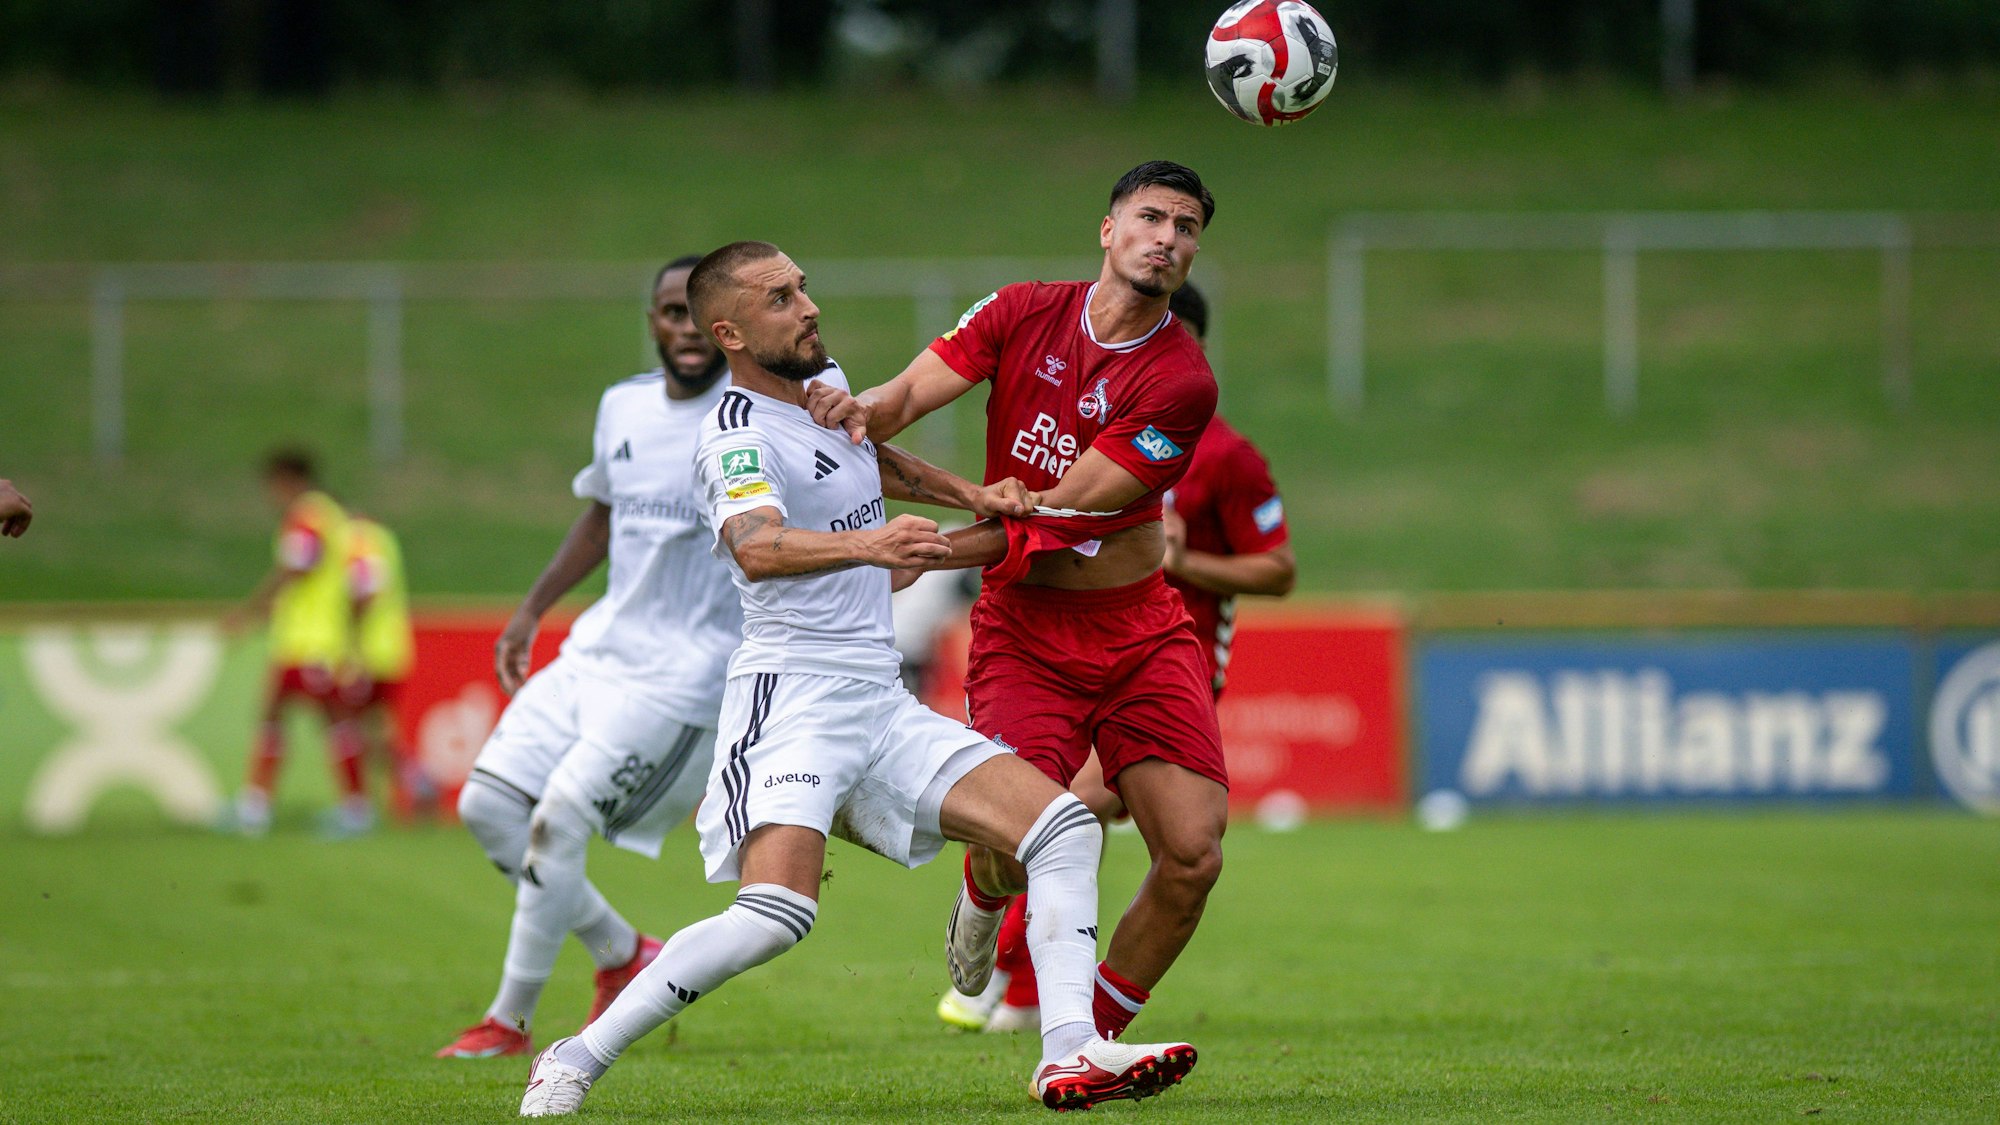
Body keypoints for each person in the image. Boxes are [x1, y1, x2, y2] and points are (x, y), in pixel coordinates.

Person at [517, 241, 1198, 1116]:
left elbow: (870, 458)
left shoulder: (821, 385)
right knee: (774, 915)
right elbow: (757, 546)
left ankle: (1069, 1052)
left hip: (875, 696)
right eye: (779, 297)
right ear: (728, 331)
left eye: (802, 286)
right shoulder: (733, 435)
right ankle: (572, 1057)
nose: (808, 306)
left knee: (1063, 828)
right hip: (790, 698)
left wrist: (971, 494)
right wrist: (870, 546)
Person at [808, 161, 1228, 1045]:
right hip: (1027, 634)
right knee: (1012, 843)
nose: (1168, 237)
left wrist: (930, 547)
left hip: (1141, 632)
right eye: (1151, 217)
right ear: (1108, 230)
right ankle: (978, 891)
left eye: (1187, 228)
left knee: (1191, 855)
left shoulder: (1181, 382)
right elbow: (904, 397)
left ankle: (1097, 1036)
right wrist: (850, 416)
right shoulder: (1020, 309)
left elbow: (1069, 512)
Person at [942, 281, 1297, 1033]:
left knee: (1111, 826)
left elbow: (1279, 570)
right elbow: (1051, 510)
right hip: (1047, 639)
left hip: (1166, 654)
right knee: (1045, 825)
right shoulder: (1072, 413)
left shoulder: (1228, 456)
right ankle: (1004, 939)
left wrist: (1185, 564)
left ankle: (1069, 1021)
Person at [436, 257, 744, 1060]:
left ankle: (508, 1020)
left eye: (696, 312)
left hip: (686, 673)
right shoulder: (624, 405)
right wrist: (531, 609)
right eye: (668, 311)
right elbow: (602, 520)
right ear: (652, 320)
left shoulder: (755, 417)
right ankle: (621, 952)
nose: (682, 327)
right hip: (599, 649)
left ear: (724, 324)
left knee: (556, 818)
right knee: (485, 806)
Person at [225, 450, 370, 837]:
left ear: (287, 479)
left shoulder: (307, 515)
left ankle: (261, 808)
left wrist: (251, 611)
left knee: (309, 718)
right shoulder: (332, 514)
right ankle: (261, 805)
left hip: (311, 641)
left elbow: (298, 565)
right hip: (315, 639)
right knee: (305, 718)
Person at [341, 512, 431, 820]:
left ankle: (359, 808)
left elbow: (366, 589)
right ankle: (413, 783)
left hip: (368, 651)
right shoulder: (382, 537)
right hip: (392, 647)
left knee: (350, 729)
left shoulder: (357, 538)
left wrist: (349, 637)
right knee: (376, 731)